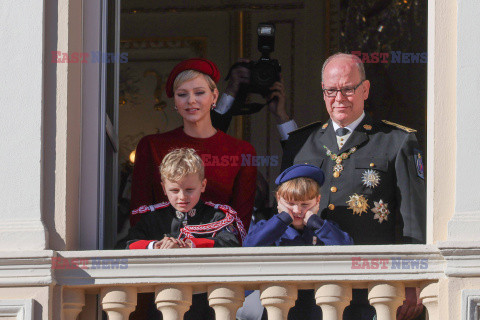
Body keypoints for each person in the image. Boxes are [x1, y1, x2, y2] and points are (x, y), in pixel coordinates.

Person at [276, 53, 425, 319]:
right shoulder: (299, 143)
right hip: (307, 285)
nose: (339, 98)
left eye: (347, 89)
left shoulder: (396, 141)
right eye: (331, 90)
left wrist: (412, 280)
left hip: (369, 285)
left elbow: (412, 218)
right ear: (323, 92)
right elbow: (282, 213)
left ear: (365, 89)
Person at [130, 58, 257, 231]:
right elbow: (139, 215)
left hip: (218, 250)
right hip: (163, 251)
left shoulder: (241, 152)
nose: (191, 100)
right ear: (175, 101)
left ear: (214, 96)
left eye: (199, 92)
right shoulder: (151, 146)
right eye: (182, 94)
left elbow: (241, 223)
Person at [119, 148, 245, 320]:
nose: (182, 197)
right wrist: (155, 246)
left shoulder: (216, 216)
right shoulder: (154, 218)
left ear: (203, 185)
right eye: (174, 190)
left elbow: (231, 244)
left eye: (189, 189)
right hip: (162, 305)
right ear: (163, 188)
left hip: (207, 306)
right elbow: (125, 245)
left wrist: (190, 244)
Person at [238, 164, 353, 320]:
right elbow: (249, 246)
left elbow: (347, 248)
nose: (298, 211)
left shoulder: (324, 229)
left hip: (315, 309)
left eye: (305, 205)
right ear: (278, 198)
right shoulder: (269, 228)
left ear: (318, 200)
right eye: (291, 204)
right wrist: (282, 219)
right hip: (277, 308)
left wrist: (316, 223)